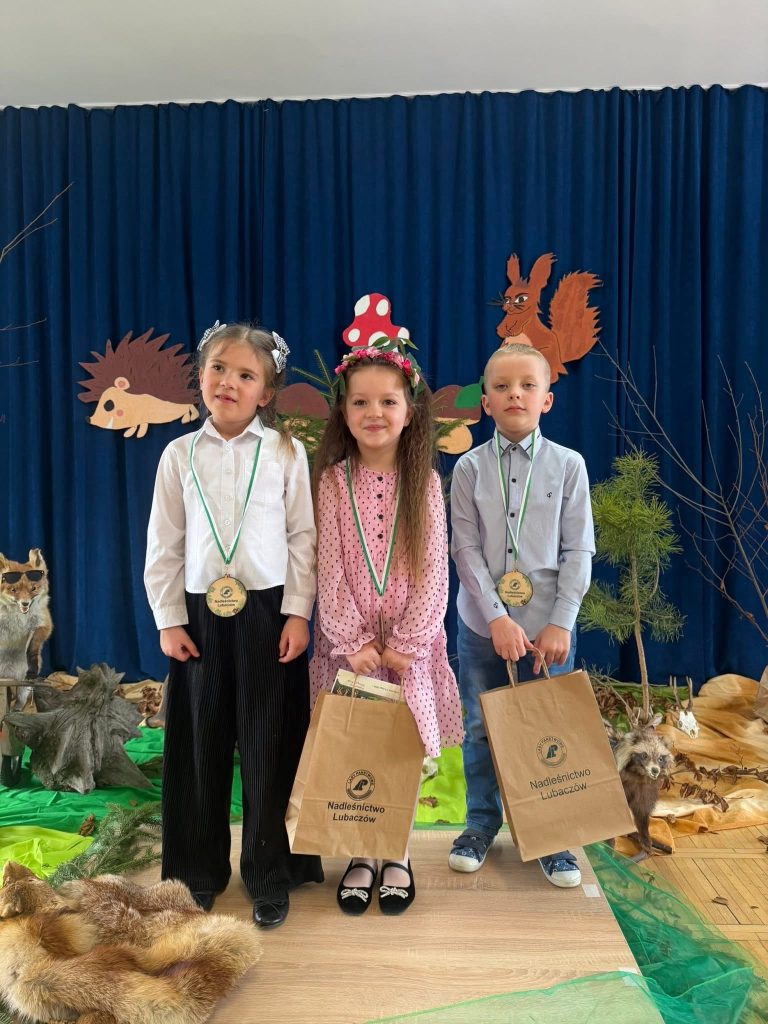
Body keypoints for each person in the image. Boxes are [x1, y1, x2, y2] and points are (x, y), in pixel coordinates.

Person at [144, 321, 323, 929]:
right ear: (200, 376)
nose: (229, 382)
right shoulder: (178, 455)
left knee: (270, 745)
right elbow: (164, 544)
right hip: (199, 616)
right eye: (219, 368)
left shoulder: (285, 452)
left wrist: (298, 612)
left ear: (265, 393)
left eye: (246, 375)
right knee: (201, 744)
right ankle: (197, 872)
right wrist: (169, 619)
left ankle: (270, 872)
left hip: (268, 614)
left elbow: (302, 537)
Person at [310, 337, 463, 916]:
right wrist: (351, 641)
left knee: (400, 753)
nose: (374, 413)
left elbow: (435, 571)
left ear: (410, 410)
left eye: (388, 402)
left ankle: (395, 852)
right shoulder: (332, 482)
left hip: (406, 655)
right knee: (356, 749)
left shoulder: (425, 483)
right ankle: (359, 852)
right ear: (344, 411)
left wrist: (407, 643)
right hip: (349, 654)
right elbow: (328, 567)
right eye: (360, 402)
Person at [449, 342, 595, 886]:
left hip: (547, 630)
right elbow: (464, 550)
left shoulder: (569, 466)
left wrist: (562, 621)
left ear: (547, 400)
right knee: (480, 727)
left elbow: (579, 550)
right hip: (482, 627)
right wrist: (496, 618)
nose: (515, 394)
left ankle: (551, 834)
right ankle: (480, 823)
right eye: (502, 386)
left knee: (548, 732)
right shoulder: (468, 469)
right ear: (485, 401)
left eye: (528, 385)